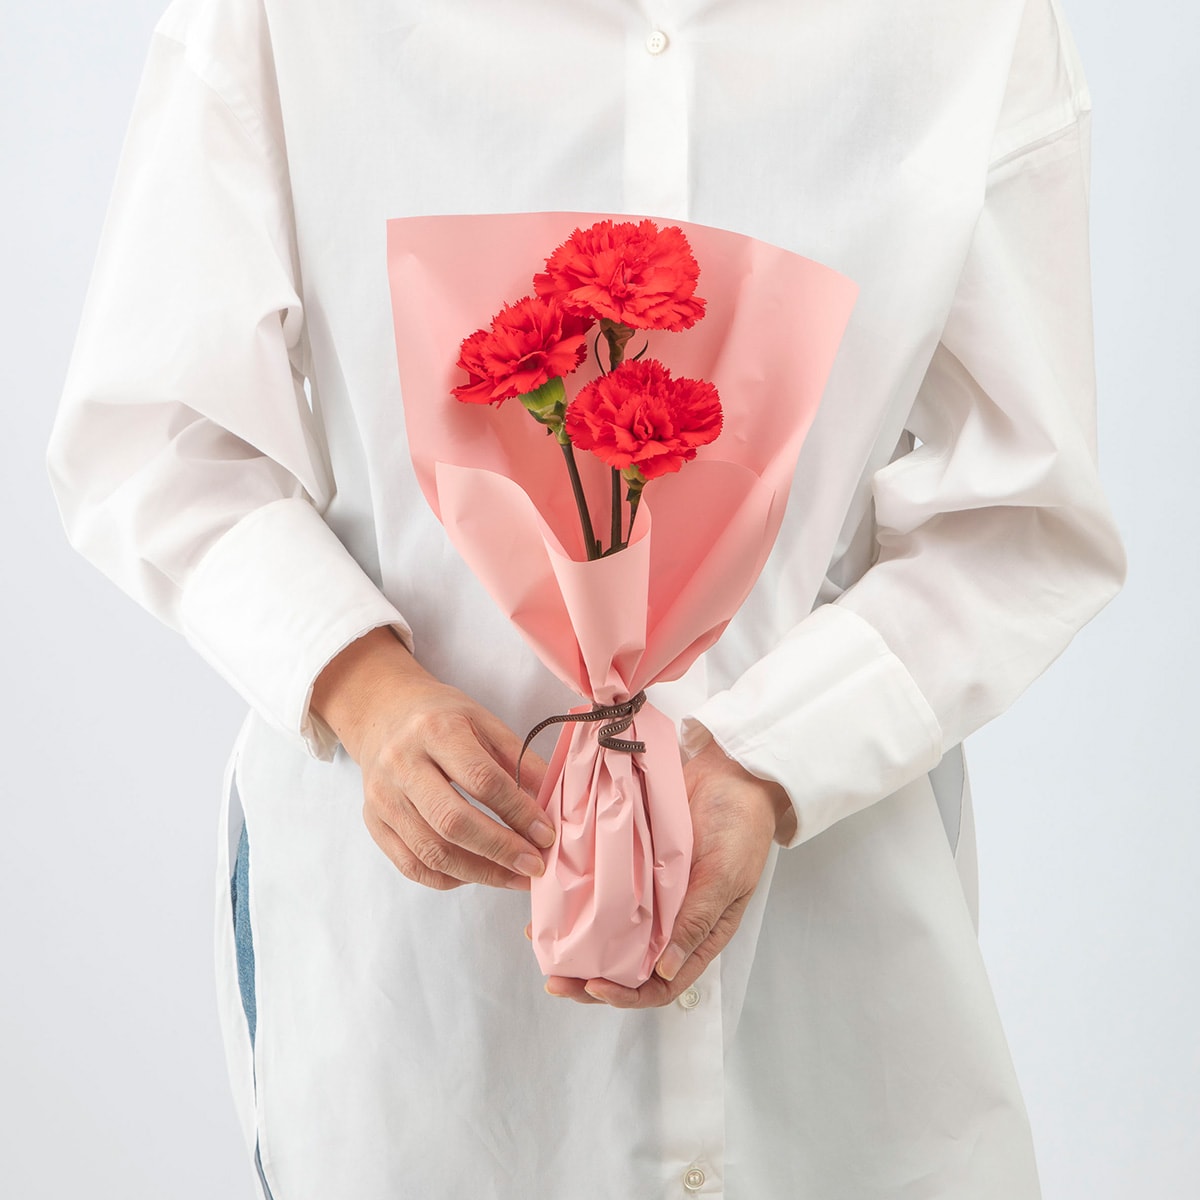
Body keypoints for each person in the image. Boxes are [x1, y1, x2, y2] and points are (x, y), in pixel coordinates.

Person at [45, 0, 1126, 1196]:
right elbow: (157, 429)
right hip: (421, 983)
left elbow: (1020, 514)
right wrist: (364, 685)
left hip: (834, 962)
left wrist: (777, 757)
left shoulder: (971, 26)